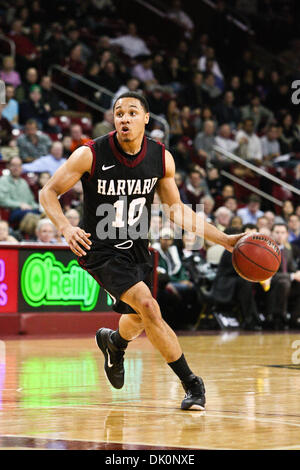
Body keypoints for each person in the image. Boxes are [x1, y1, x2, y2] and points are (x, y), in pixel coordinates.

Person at [40, 92, 244, 411]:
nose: (124, 118)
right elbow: (48, 192)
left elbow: (176, 211)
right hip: (101, 248)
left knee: (137, 318)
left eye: (132, 112)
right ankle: (192, 384)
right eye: (119, 113)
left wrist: (227, 240)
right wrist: (65, 227)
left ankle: (115, 343)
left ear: (145, 119)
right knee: (149, 306)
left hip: (137, 246)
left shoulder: (161, 158)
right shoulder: (89, 154)